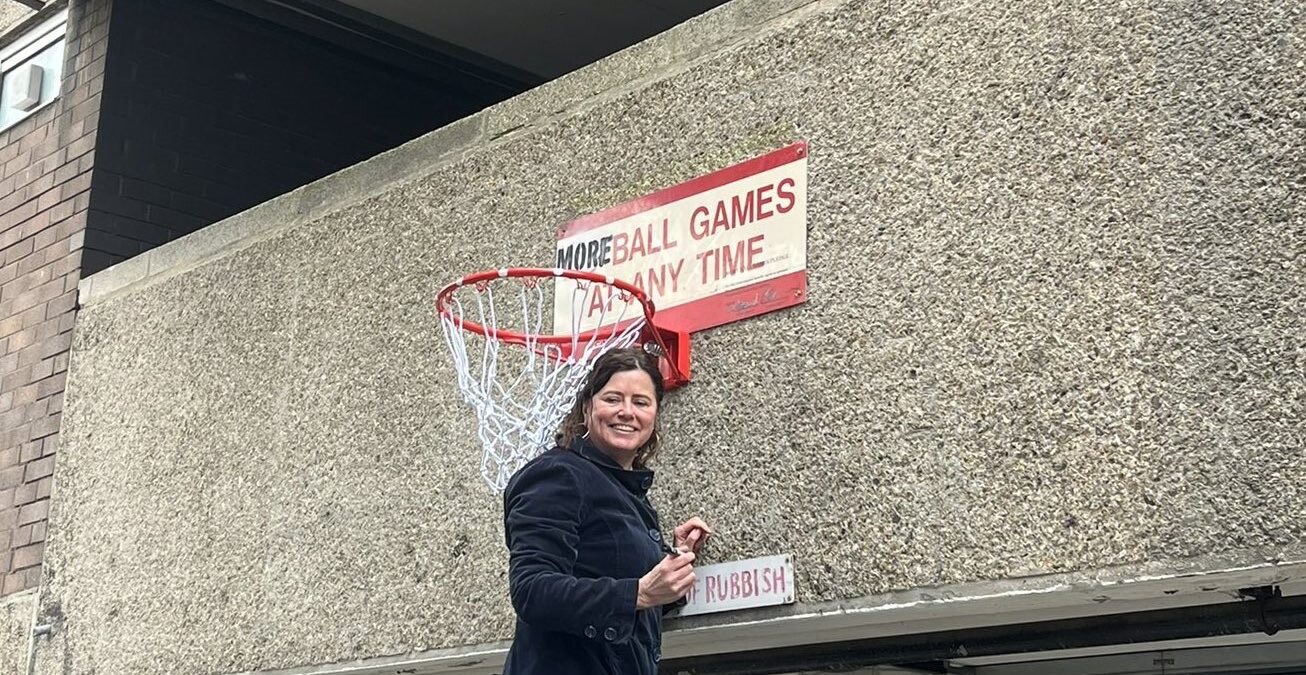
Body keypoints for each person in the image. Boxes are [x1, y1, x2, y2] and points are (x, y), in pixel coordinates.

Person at [501, 347, 712, 675]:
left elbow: (633, 598)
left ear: (654, 416)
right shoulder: (559, 474)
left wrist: (674, 562)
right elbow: (532, 590)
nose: (627, 412)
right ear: (587, 408)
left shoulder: (629, 496)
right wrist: (637, 594)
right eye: (613, 399)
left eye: (641, 402)